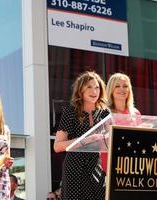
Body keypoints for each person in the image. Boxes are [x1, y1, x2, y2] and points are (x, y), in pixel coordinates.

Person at [54, 71, 110, 199]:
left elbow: (110, 141)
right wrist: (84, 140)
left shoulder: (104, 113)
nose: (94, 91)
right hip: (75, 168)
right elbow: (57, 146)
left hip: (96, 167)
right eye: (89, 87)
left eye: (97, 87)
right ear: (81, 90)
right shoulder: (70, 112)